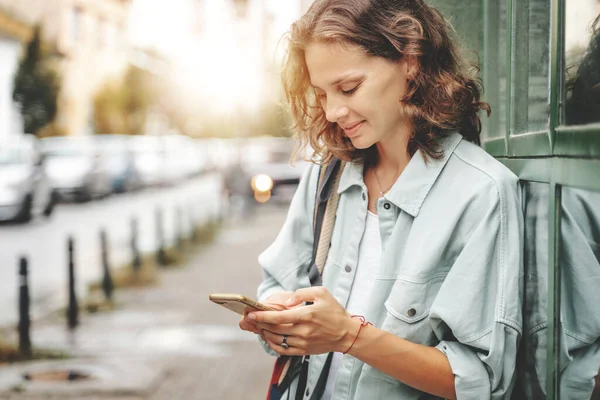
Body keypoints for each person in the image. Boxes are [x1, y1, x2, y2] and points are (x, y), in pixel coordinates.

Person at [239, 0, 524, 399]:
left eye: (349, 87)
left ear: (410, 60)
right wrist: (279, 315)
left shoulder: (482, 193)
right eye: (321, 94)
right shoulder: (328, 175)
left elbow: (480, 382)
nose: (334, 111)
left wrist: (347, 335)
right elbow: (275, 281)